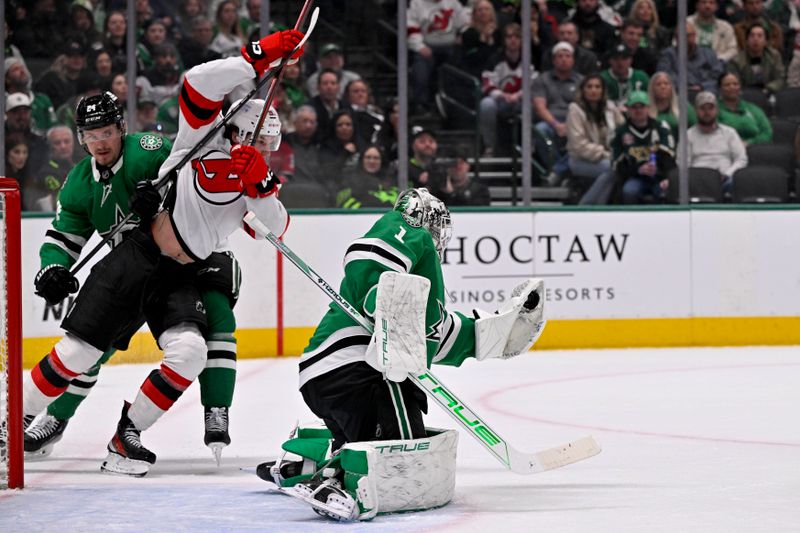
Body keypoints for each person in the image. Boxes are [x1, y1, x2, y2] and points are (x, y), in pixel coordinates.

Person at [21, 29, 304, 476]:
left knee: (190, 351)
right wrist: (254, 58)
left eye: (107, 130)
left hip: (181, 274)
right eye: (90, 133)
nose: (267, 150)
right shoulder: (196, 141)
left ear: (121, 129)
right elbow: (197, 83)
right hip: (134, 257)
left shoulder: (250, 179)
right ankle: (14, 423)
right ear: (235, 131)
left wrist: (262, 187)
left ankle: (125, 436)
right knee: (79, 354)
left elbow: (276, 227)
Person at [256, 188, 545, 521]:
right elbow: (368, 262)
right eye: (435, 225)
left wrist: (502, 331)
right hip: (359, 373)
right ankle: (335, 481)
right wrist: (379, 299)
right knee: (405, 461)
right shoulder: (407, 229)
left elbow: (443, 335)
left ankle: (309, 462)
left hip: (326, 378)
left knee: (390, 448)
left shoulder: (419, 298)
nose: (436, 235)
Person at [479, 23, 538, 157]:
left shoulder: (531, 59)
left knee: (534, 106)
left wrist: (519, 95)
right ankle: (489, 146)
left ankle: (530, 147)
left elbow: (535, 84)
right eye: (509, 37)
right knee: (486, 105)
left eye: (517, 37)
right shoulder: (494, 59)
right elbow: (487, 83)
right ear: (504, 40)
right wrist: (502, 95)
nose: (513, 40)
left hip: (522, 100)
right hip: (500, 101)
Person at [566, 75, 625, 205]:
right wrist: (606, 154)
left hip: (609, 157)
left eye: (597, 87)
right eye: (589, 87)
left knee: (615, 168)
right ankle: (587, 206)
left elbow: (623, 129)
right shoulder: (575, 109)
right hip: (580, 160)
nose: (594, 90)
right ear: (583, 90)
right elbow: (579, 145)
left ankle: (596, 206)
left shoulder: (610, 107)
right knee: (612, 169)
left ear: (603, 90)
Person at [611, 90, 676, 203]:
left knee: (666, 191)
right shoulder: (620, 132)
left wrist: (666, 177)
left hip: (659, 175)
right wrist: (638, 169)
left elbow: (670, 157)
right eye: (634, 107)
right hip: (634, 177)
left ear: (648, 108)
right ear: (628, 109)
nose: (638, 110)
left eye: (642, 106)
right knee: (629, 191)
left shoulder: (661, 128)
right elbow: (617, 164)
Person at [407, 0, 470, 115]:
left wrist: (463, 36)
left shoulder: (453, 3)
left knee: (459, 66)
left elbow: (465, 23)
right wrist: (419, 46)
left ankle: (454, 107)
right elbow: (411, 27)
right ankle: (421, 106)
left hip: (451, 46)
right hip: (426, 46)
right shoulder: (417, 3)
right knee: (421, 69)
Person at [532, 42, 583, 184]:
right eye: (560, 56)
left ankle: (557, 172)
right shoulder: (542, 80)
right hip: (551, 122)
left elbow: (584, 108)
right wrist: (556, 125)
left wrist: (570, 125)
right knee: (540, 130)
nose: (564, 59)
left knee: (585, 133)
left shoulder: (581, 81)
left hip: (575, 122)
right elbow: (539, 107)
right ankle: (562, 172)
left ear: (573, 60)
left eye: (567, 56)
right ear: (553, 60)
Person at [684, 91, 748, 194]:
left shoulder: (730, 133)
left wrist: (727, 174)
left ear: (717, 110)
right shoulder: (687, 135)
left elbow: (741, 159)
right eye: (702, 108)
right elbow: (683, 164)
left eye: (710, 108)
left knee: (739, 182)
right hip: (697, 181)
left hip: (725, 180)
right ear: (696, 111)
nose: (707, 112)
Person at [656, 21, 724, 97]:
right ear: (676, 38)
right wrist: (687, 88)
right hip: (679, 95)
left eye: (688, 35)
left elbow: (718, 76)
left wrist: (702, 86)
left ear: (694, 36)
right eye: (681, 36)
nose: (684, 39)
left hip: (706, 93)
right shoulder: (667, 55)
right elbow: (665, 76)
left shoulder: (708, 53)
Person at [26, 126, 76, 212]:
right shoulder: (44, 172)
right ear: (50, 146)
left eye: (66, 141)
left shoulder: (80, 167)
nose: (63, 146)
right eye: (57, 143)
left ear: (73, 143)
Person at [727, 23, 785, 96]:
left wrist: (767, 89)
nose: (755, 39)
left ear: (766, 41)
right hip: (745, 96)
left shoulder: (774, 56)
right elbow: (735, 84)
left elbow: (780, 79)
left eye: (760, 36)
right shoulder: (736, 61)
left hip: (770, 93)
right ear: (747, 41)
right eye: (752, 36)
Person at [716, 71, 772, 144]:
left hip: (753, 148)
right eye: (727, 85)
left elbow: (767, 133)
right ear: (720, 89)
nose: (732, 87)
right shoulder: (714, 110)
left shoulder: (753, 109)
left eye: (735, 84)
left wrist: (749, 143)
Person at [335, 144, 398, 208]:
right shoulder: (350, 181)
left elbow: (397, 204)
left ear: (381, 161)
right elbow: (342, 202)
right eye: (368, 157)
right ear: (362, 160)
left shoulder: (391, 183)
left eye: (376, 158)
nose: (372, 161)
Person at [647, 72, 697, 141]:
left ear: (671, 87)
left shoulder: (682, 105)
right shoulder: (646, 108)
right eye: (658, 84)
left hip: (680, 148)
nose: (663, 87)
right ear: (652, 89)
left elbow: (696, 127)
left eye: (666, 84)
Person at [600, 43, 650, 109]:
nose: (620, 62)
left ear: (631, 60)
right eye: (616, 59)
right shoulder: (602, 78)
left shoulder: (641, 77)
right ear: (610, 60)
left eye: (624, 58)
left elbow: (650, 99)